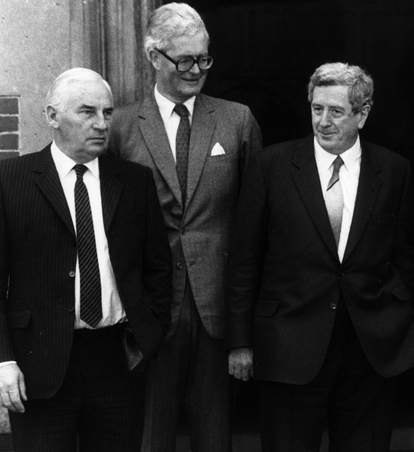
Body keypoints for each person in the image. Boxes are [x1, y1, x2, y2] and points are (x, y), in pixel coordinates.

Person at [226, 62, 414, 452]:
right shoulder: (272, 166)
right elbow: (244, 259)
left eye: (336, 111)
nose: (323, 121)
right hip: (288, 348)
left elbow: (406, 256)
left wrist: (395, 320)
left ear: (362, 114)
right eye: (317, 109)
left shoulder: (393, 169)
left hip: (369, 352)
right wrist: (240, 341)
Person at [108, 4, 262, 451]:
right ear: (155, 57)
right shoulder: (120, 128)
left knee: (215, 438)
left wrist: (243, 329)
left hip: (216, 311)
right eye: (185, 60)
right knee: (150, 436)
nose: (197, 70)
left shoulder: (237, 121)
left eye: (204, 58)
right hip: (150, 311)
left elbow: (254, 228)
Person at [0, 68, 172, 451]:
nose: (101, 124)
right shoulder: (10, 179)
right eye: (87, 112)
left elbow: (158, 269)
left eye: (108, 113)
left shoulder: (133, 180)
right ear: (51, 116)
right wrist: (3, 362)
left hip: (117, 358)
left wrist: (147, 337)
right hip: (39, 362)